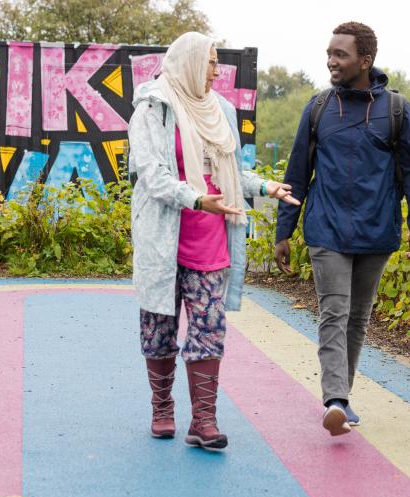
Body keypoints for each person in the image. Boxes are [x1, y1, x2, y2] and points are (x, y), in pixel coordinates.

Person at [128, 32, 299, 450]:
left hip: (210, 240)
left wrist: (265, 187)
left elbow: (230, 173)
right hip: (163, 239)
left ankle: (203, 421)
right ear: (188, 62)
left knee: (209, 328)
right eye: (210, 62)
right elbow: (151, 174)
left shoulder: (219, 109)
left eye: (217, 62)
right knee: (158, 328)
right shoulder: (152, 107)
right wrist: (196, 199)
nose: (216, 71)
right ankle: (162, 408)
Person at [274, 22, 410, 436]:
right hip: (326, 228)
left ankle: (341, 396)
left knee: (358, 317)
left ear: (365, 60)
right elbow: (297, 173)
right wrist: (283, 231)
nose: (331, 61)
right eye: (329, 53)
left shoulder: (396, 110)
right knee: (334, 311)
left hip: (376, 231)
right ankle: (335, 399)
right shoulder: (318, 108)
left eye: (340, 54)